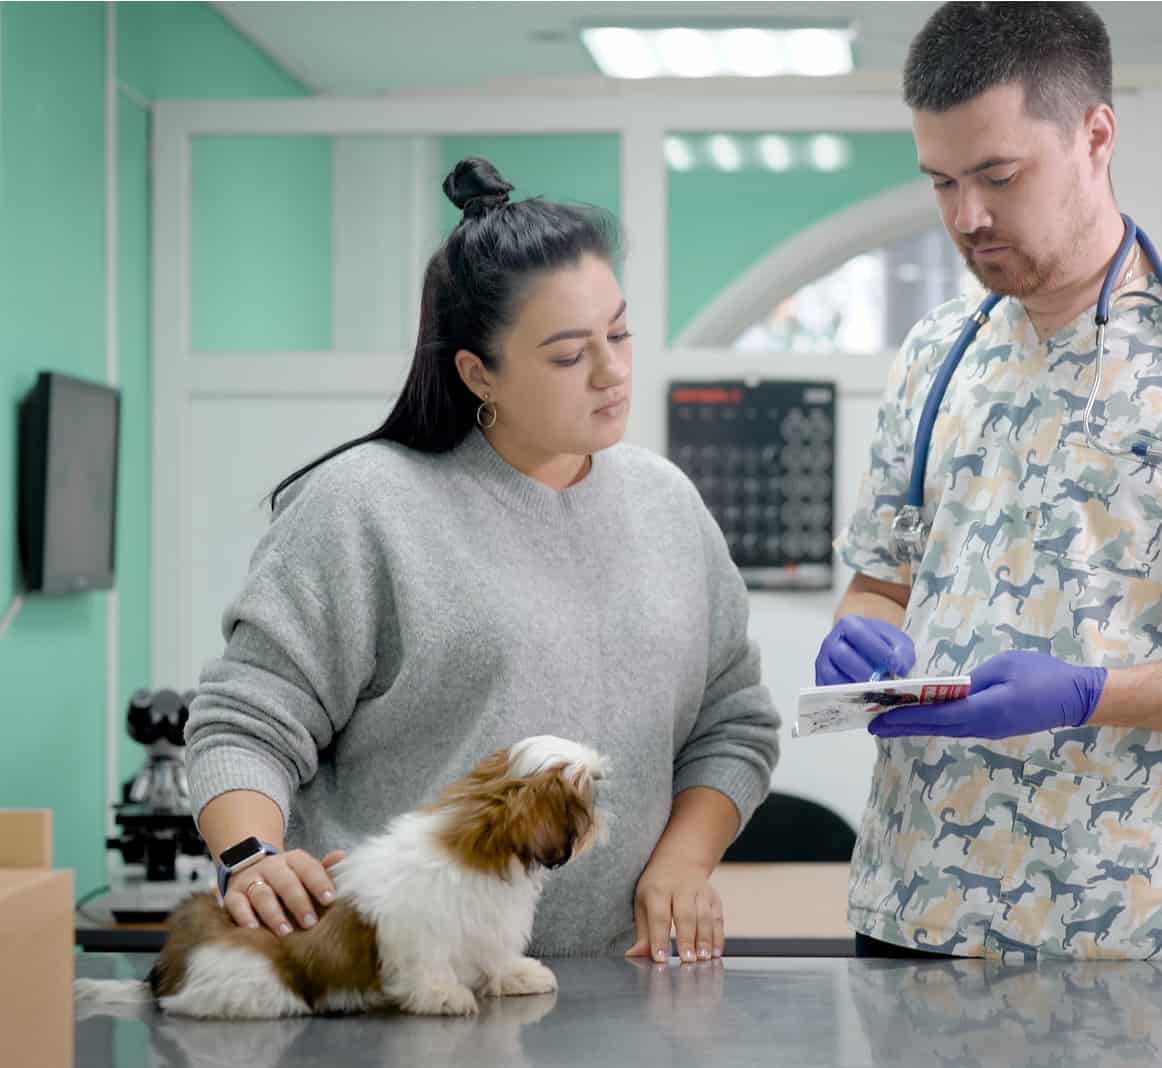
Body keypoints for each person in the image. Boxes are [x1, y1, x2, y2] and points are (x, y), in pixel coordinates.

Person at [817, 2, 1162, 961]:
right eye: (942, 182)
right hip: (908, 915)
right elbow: (882, 582)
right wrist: (861, 640)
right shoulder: (938, 353)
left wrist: (1089, 692)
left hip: (1115, 933)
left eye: (998, 175)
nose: (966, 217)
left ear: (1095, 135)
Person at [185, 157, 781, 964]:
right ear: (477, 372)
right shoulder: (365, 505)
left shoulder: (668, 505)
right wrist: (251, 857)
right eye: (570, 354)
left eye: (621, 331)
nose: (612, 371)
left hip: (615, 983)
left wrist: (684, 860)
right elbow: (247, 719)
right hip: (388, 984)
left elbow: (734, 721)